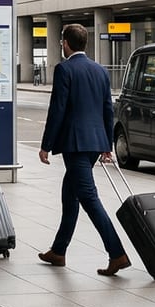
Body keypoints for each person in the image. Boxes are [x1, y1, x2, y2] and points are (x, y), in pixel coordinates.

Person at [37, 23, 131, 276]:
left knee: (88, 198)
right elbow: (107, 109)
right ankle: (58, 251)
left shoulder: (64, 69)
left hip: (75, 144)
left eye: (61, 42)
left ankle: (117, 253)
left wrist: (46, 145)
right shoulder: (100, 70)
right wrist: (106, 145)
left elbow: (57, 109)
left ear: (66, 43)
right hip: (93, 144)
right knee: (70, 195)